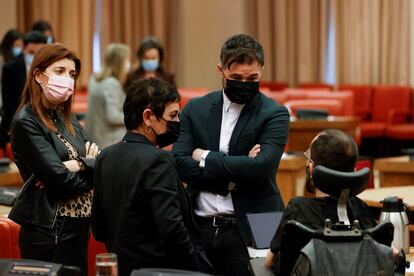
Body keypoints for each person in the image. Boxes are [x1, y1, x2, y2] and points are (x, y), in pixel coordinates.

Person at [172, 34, 290, 276]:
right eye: (236, 78)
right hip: (199, 225)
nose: (245, 83)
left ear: (262, 72)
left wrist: (204, 156)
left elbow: (261, 168)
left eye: (252, 78)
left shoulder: (275, 113)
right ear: (220, 70)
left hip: (255, 225)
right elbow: (179, 164)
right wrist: (237, 170)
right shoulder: (195, 108)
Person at [91, 78, 211, 276]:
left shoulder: (105, 155)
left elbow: (99, 228)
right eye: (173, 115)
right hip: (160, 270)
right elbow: (172, 230)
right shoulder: (159, 160)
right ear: (148, 117)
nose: (178, 122)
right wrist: (195, 268)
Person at [9, 43, 99, 275]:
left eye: (71, 74)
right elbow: (61, 182)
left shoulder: (64, 117)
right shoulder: (26, 121)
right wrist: (87, 166)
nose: (68, 79)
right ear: (38, 75)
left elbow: (101, 160)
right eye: (59, 72)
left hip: (79, 226)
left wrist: (79, 165)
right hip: (50, 230)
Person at [264, 129, 377, 273]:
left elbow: (269, 261)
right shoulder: (361, 208)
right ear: (353, 171)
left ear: (311, 169)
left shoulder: (298, 208)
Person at [0, 31, 46, 149]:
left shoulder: (47, 68)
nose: (34, 56)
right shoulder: (10, 68)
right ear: (24, 49)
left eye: (38, 52)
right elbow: (9, 104)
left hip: (41, 125)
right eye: (31, 52)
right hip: (15, 124)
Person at [85, 43, 130, 149]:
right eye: (126, 60)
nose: (128, 64)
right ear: (119, 63)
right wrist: (134, 118)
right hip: (110, 140)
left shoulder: (94, 78)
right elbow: (113, 117)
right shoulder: (111, 83)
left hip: (96, 137)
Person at [0, 29, 24, 109]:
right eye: (16, 46)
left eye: (20, 46)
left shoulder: (18, 63)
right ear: (8, 46)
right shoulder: (2, 60)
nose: (19, 49)